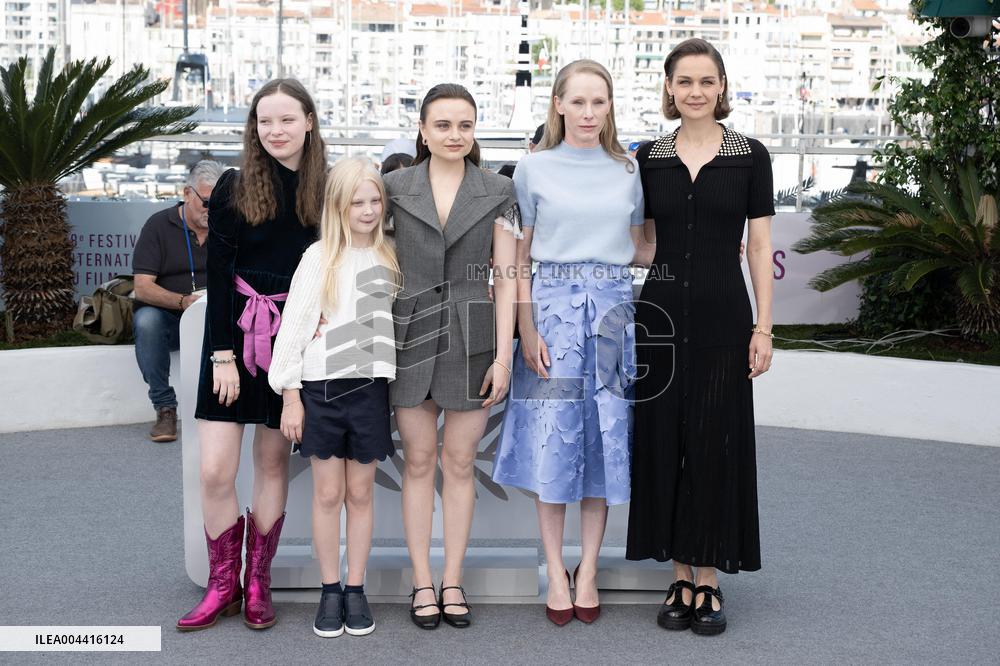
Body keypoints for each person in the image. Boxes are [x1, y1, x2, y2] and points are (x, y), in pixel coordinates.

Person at [626, 38, 775, 636]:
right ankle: (678, 573)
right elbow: (637, 243)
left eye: (706, 81)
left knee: (714, 443)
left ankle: (707, 579)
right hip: (657, 318)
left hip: (723, 317)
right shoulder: (647, 159)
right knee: (665, 441)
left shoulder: (750, 156)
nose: (695, 91)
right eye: (684, 81)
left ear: (721, 87)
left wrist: (764, 326)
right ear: (668, 88)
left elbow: (760, 245)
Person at [491, 60, 645, 626]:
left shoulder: (628, 169)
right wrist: (525, 328)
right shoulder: (531, 170)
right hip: (552, 314)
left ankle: (589, 567)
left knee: (604, 438)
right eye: (577, 102)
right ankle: (555, 569)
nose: (587, 113)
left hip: (611, 312)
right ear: (557, 104)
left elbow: (638, 246)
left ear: (609, 107)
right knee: (554, 441)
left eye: (597, 102)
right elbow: (519, 257)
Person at [178, 78, 327, 632]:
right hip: (233, 336)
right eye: (265, 122)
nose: (276, 131)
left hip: (293, 341)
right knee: (216, 469)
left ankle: (257, 581)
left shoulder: (326, 190)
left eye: (287, 120)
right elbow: (219, 273)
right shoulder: (234, 187)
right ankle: (223, 586)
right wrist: (221, 355)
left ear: (309, 122)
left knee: (271, 463)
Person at [383, 83, 519, 630]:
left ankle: (453, 580)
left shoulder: (499, 190)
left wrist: (504, 356)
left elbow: (509, 278)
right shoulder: (391, 186)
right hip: (406, 335)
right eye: (442, 125)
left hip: (474, 337)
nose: (454, 135)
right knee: (417, 462)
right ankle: (422, 584)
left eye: (464, 125)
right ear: (422, 130)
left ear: (475, 129)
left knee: (459, 464)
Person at [269, 156, 400, 638]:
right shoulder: (319, 257)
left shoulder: (390, 255)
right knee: (328, 494)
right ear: (338, 207)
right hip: (321, 388)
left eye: (374, 200)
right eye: (356, 202)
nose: (366, 210)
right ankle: (329, 589)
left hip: (371, 389)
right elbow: (294, 329)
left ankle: (356, 588)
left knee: (361, 493)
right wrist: (290, 395)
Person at [132, 160, 225, 442]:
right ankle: (165, 408)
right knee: (147, 321)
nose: (214, 210)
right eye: (208, 202)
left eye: (221, 203)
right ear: (187, 193)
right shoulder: (158, 225)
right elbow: (142, 288)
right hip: (171, 318)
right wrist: (183, 301)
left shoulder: (228, 226)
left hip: (216, 314)